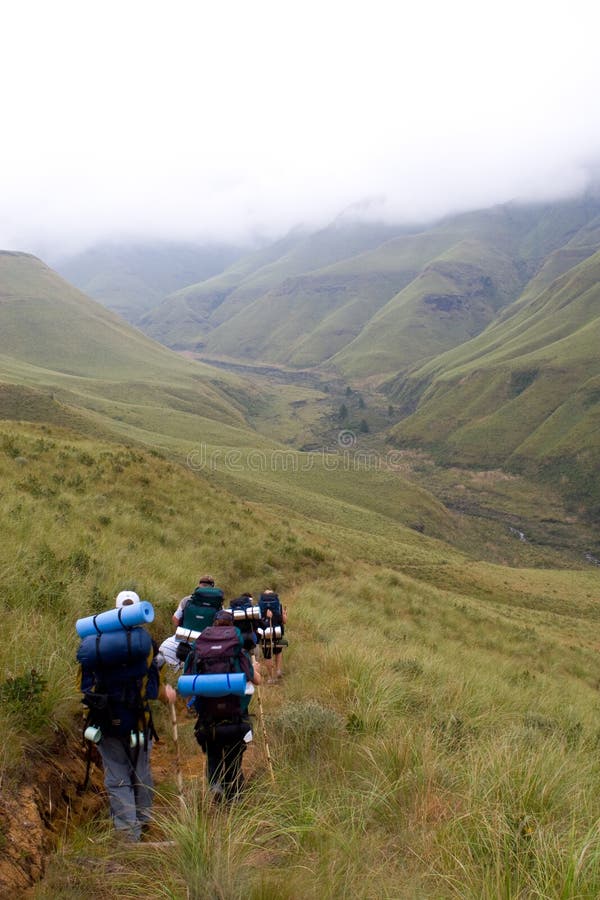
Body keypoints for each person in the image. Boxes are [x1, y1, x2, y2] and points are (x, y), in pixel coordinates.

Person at [78, 589, 176, 842]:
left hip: (106, 725)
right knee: (140, 770)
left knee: (116, 775)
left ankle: (126, 832)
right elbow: (153, 691)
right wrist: (167, 694)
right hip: (138, 724)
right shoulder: (145, 646)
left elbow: (83, 688)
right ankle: (144, 823)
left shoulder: (95, 644)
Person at [184, 609, 261, 802]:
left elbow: (187, 684)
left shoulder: (198, 650)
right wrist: (256, 670)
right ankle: (234, 796)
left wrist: (194, 706)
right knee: (234, 757)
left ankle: (215, 787)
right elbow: (255, 680)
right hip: (236, 715)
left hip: (208, 718)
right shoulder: (239, 651)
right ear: (232, 626)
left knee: (213, 754)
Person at [259, 589, 288, 683]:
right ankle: (278, 670)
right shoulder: (278, 605)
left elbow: (257, 621)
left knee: (267, 655)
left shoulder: (259, 606)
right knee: (278, 651)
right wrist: (284, 614)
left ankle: (271, 678)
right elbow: (284, 621)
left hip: (264, 632)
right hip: (278, 631)